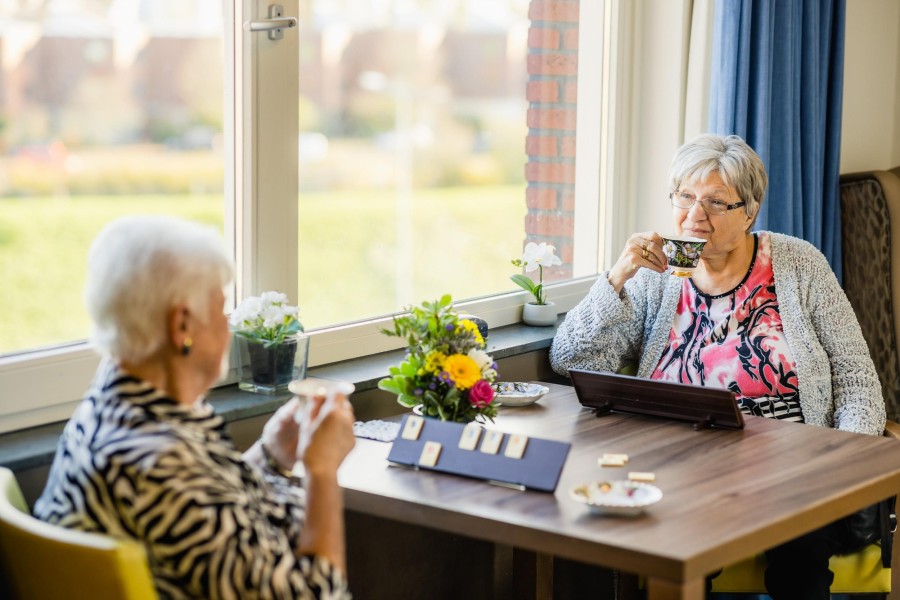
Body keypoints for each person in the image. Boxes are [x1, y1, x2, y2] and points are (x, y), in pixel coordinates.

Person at [550, 134, 885, 599]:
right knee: (663, 545)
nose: (694, 216)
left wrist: (840, 464)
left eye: (714, 202)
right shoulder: (658, 275)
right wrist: (617, 277)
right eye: (684, 197)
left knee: (800, 564)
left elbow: (856, 379)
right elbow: (571, 360)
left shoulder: (799, 264)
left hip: (791, 464)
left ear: (749, 211)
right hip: (682, 461)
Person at [34, 215, 356, 600]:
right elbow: (318, 595)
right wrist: (322, 472)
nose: (229, 326)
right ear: (182, 325)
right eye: (221, 310)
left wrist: (270, 455)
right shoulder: (161, 465)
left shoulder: (115, 405)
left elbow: (213, 510)